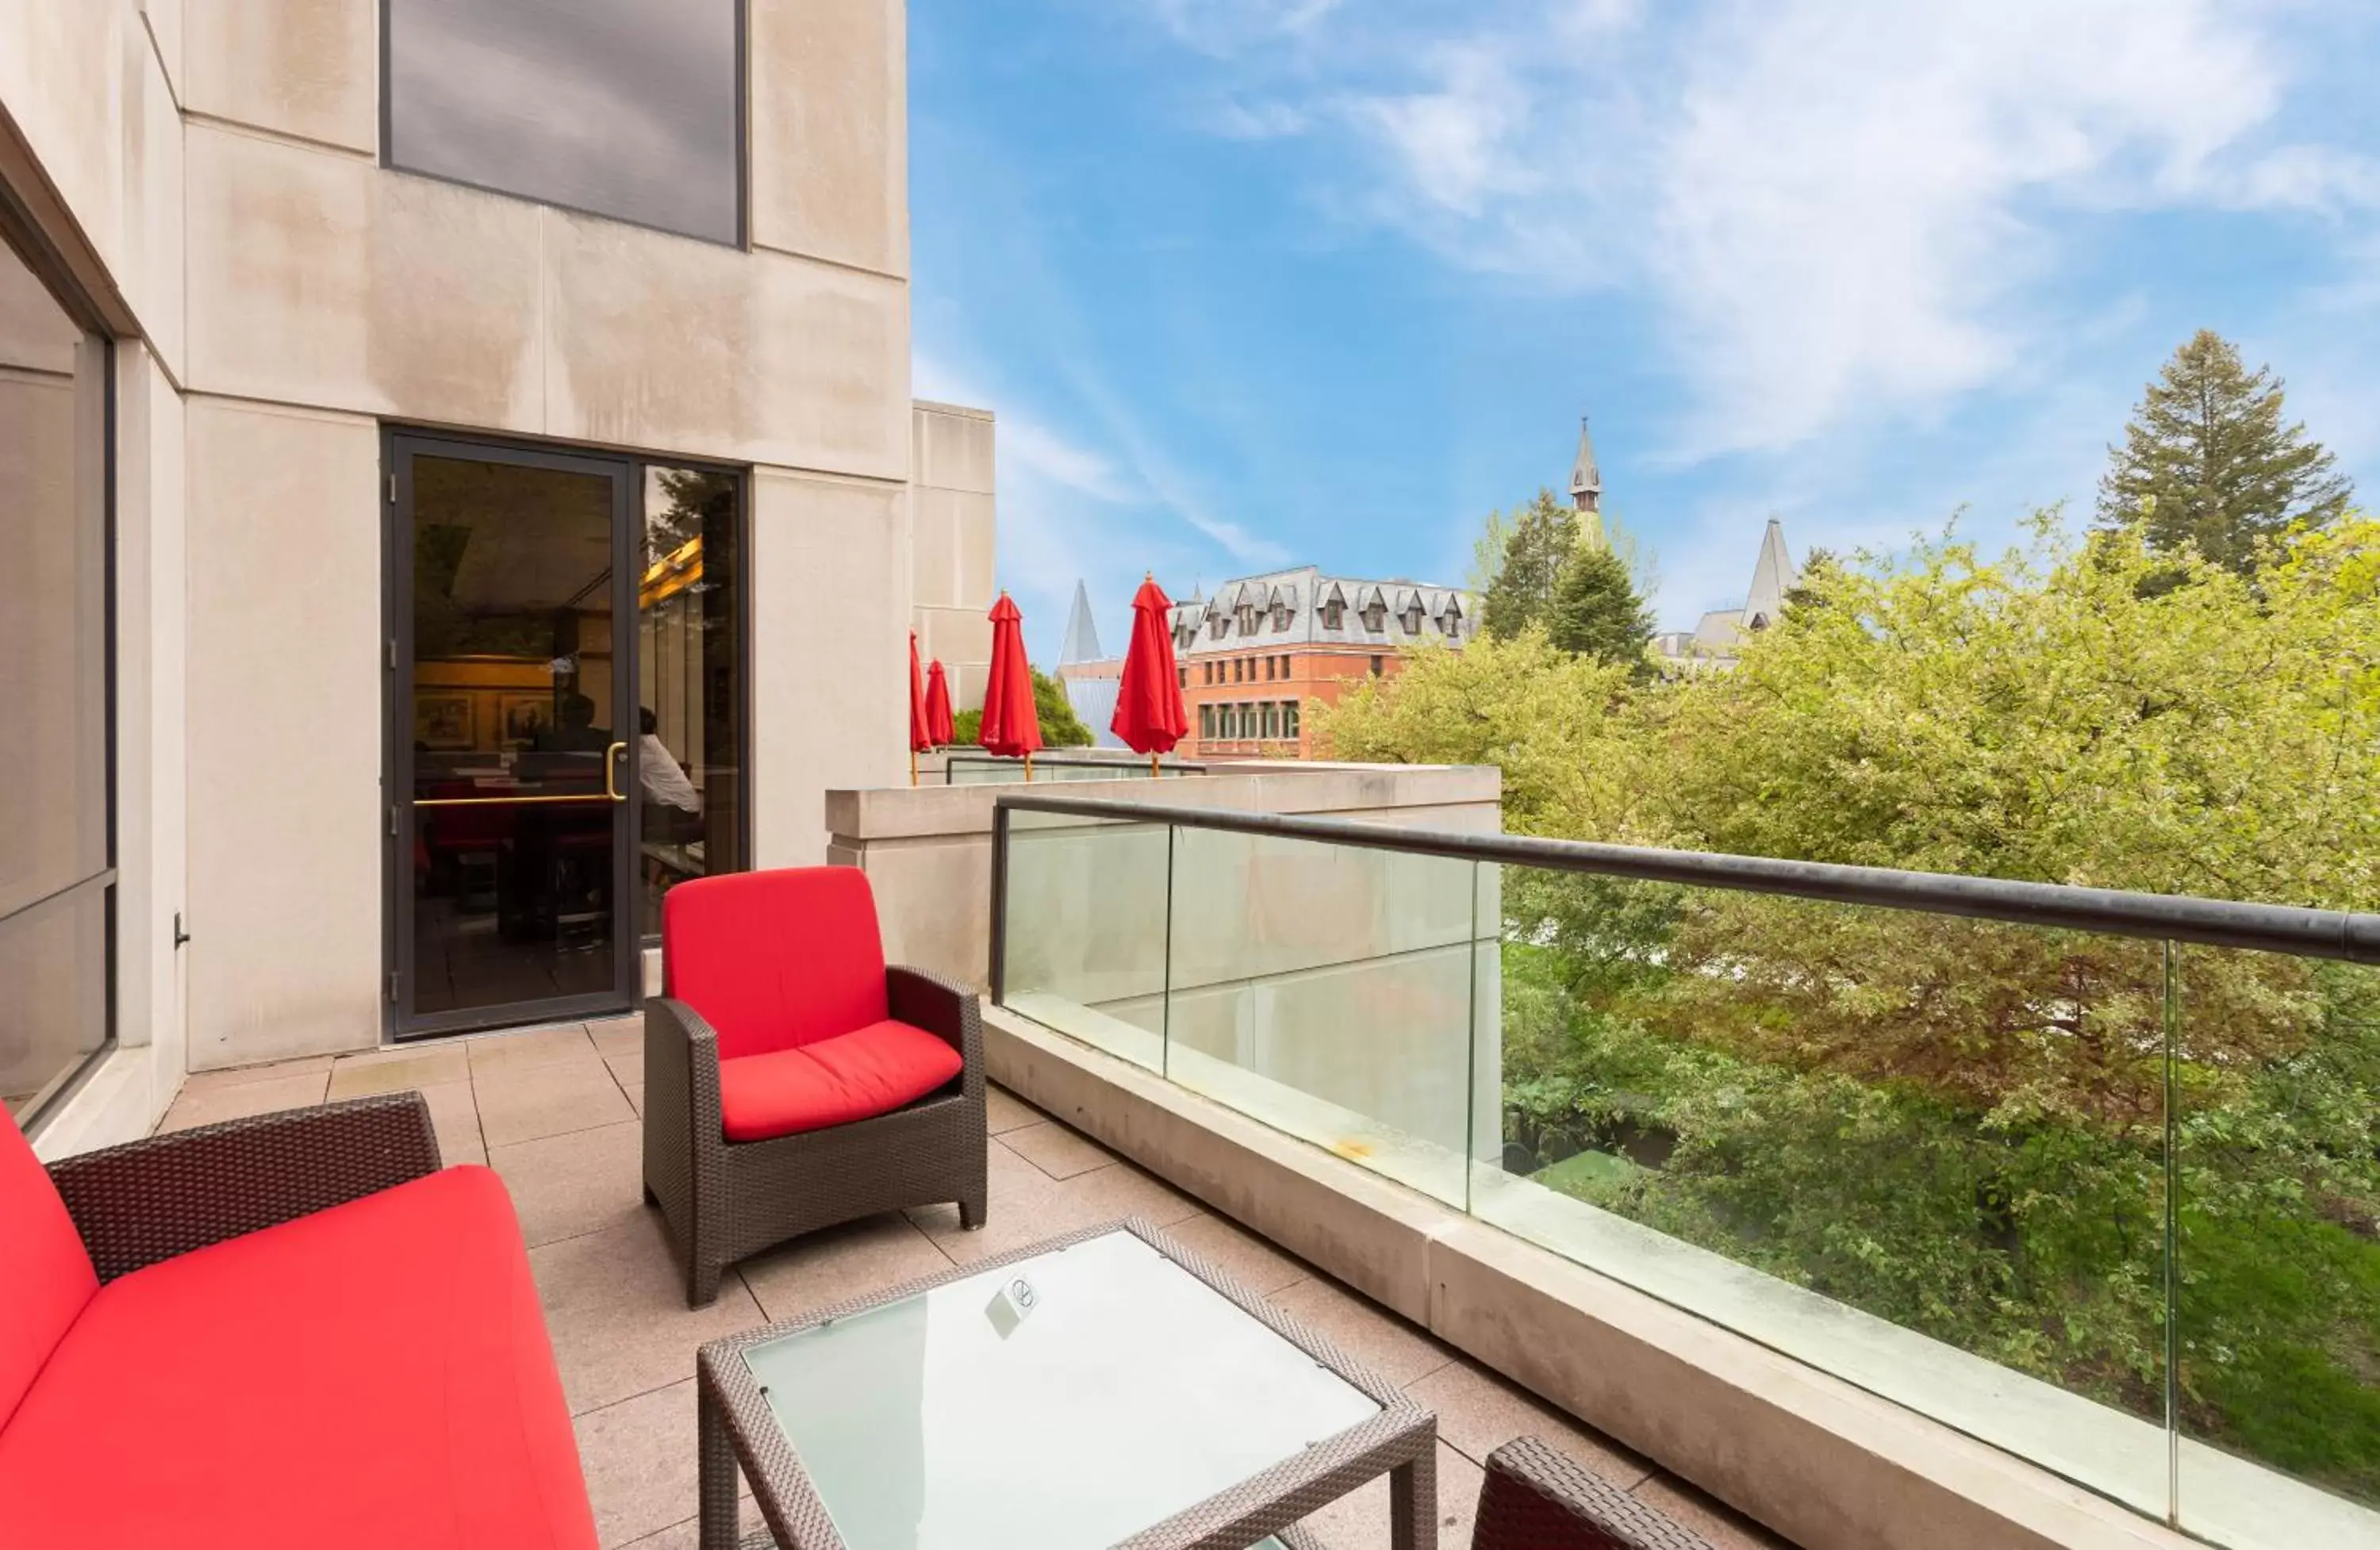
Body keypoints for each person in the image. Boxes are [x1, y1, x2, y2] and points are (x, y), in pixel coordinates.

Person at [639, 708, 704, 844]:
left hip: (678, 810)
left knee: (624, 823)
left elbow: (621, 773)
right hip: (683, 808)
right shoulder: (649, 744)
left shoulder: (644, 748)